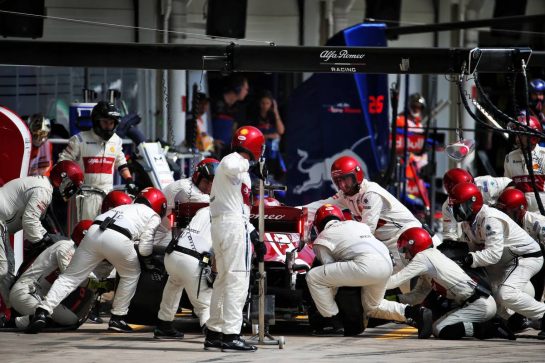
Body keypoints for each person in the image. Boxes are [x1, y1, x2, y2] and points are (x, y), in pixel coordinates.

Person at [26, 187, 166, 334]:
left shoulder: (126, 207)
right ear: (159, 205)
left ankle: (42, 311)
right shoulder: (153, 215)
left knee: (70, 277)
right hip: (119, 237)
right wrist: (149, 262)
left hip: (94, 232)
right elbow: (144, 248)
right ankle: (118, 318)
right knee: (131, 273)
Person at [306, 204, 433, 338]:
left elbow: (331, 277)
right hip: (386, 262)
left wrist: (331, 307)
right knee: (372, 306)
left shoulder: (321, 239)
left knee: (313, 277)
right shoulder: (358, 225)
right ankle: (414, 312)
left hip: (365, 265)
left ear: (318, 225)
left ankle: (332, 322)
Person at [303, 156, 440, 271]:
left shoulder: (371, 193)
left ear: (356, 175)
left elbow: (366, 230)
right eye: (338, 181)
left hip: (412, 240)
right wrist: (289, 211)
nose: (343, 185)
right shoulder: (345, 195)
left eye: (346, 180)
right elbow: (318, 206)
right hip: (391, 244)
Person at [449, 182, 545, 338]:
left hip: (524, 257)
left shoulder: (490, 218)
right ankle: (516, 319)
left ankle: (543, 314)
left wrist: (468, 259)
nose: (456, 210)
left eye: (460, 205)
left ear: (473, 203)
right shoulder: (468, 223)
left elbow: (493, 254)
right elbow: (475, 249)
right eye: (454, 206)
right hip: (507, 259)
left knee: (505, 294)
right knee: (488, 292)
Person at [386, 227, 511, 340]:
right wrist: (392, 299)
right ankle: (490, 325)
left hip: (479, 304)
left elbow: (394, 281)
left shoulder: (423, 258)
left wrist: (372, 285)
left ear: (415, 245)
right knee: (435, 326)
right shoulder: (429, 259)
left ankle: (490, 329)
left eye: (406, 250)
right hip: (477, 302)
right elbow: (417, 296)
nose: (406, 256)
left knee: (440, 329)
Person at [203, 125, 265, 352]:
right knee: (238, 280)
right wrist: (252, 164)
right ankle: (231, 335)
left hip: (226, 224)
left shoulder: (239, 171)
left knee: (224, 280)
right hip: (230, 226)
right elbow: (229, 164)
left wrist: (253, 233)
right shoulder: (234, 161)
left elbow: (238, 207)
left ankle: (214, 332)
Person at [0, 160, 83, 309]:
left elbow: (45, 223)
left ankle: (8, 310)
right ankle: (9, 310)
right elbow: (30, 221)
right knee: (3, 269)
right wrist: (44, 240)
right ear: (64, 180)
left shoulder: (44, 187)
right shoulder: (44, 190)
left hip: (2, 226)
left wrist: (47, 239)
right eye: (71, 186)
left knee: (8, 268)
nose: (70, 192)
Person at [58, 101, 137, 221]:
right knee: (85, 232)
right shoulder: (79, 140)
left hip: (109, 196)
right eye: (105, 122)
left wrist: (129, 180)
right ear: (96, 121)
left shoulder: (116, 141)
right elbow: (62, 164)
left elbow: (121, 163)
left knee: (107, 233)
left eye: (111, 123)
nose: (108, 126)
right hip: (84, 197)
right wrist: (68, 183)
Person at [8, 220, 93, 329]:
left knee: (70, 320)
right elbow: (73, 278)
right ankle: (12, 322)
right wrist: (99, 284)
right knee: (44, 319)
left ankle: (30, 320)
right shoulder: (66, 247)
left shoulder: (78, 253)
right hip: (26, 291)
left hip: (42, 297)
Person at [155, 206, 214, 339]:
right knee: (204, 303)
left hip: (173, 253)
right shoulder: (227, 214)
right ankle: (212, 335)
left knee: (173, 289)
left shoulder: (203, 210)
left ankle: (163, 326)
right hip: (192, 259)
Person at [155, 158, 219, 246]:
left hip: (167, 231)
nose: (209, 187)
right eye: (206, 182)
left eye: (212, 184)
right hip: (156, 236)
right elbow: (218, 203)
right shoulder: (186, 190)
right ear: (197, 177)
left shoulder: (190, 184)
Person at [442, 168, 512, 241]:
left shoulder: (486, 184)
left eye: (471, 185)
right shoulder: (448, 206)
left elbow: (511, 184)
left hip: (499, 224)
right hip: (475, 233)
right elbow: (450, 234)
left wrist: (503, 204)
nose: (471, 189)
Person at [504, 115, 545, 212]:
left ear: (533, 137)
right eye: (516, 135)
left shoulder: (544, 156)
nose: (517, 139)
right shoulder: (509, 158)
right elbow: (509, 186)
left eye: (521, 135)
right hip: (520, 214)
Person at [210, 75, 250, 158]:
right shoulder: (214, 103)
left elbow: (234, 130)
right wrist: (211, 141)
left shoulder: (238, 109)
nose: (247, 92)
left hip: (227, 153)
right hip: (210, 151)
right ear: (238, 88)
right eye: (245, 89)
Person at [251, 91, 286, 180]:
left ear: (271, 104)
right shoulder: (254, 116)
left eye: (267, 103)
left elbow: (281, 131)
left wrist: (276, 112)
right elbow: (253, 135)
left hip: (273, 153)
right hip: (260, 152)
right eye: (263, 103)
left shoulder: (273, 116)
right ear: (259, 103)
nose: (265, 106)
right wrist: (269, 136)